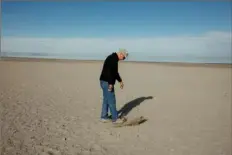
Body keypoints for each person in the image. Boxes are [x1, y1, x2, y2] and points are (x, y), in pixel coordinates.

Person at [99, 49, 128, 124]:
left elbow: (115, 73)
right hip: (107, 82)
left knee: (106, 99)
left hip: (103, 81)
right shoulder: (113, 59)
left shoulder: (113, 58)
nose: (123, 59)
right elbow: (110, 72)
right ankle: (115, 119)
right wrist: (111, 84)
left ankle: (104, 117)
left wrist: (120, 81)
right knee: (112, 100)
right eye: (124, 57)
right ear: (121, 54)